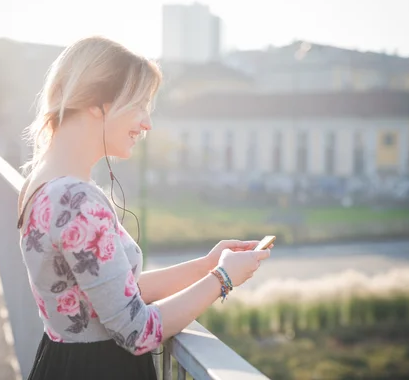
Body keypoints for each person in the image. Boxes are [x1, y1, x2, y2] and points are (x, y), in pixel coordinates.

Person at [16, 36, 273, 380]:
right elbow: (137, 331)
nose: (147, 123)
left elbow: (112, 291)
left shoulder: (44, 184)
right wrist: (222, 279)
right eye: (139, 105)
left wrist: (205, 265)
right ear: (97, 104)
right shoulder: (76, 201)